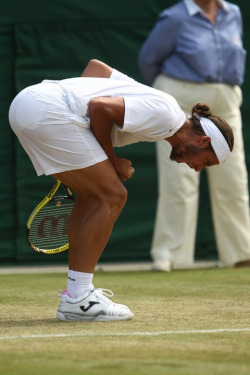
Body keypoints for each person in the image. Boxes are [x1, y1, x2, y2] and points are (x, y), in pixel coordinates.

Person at [9, 59, 234, 322]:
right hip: (47, 110)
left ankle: (77, 293)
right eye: (205, 162)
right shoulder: (167, 116)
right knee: (113, 195)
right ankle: (79, 298)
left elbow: (96, 69)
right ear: (203, 140)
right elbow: (99, 107)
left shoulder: (157, 106)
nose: (197, 169)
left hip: (28, 105)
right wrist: (112, 161)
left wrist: (81, 97)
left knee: (93, 197)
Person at [138, 0, 250, 272]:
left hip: (226, 102)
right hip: (182, 98)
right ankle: (171, 255)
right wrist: (171, 98)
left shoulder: (232, 13)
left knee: (233, 179)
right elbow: (148, 60)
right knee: (179, 179)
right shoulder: (174, 17)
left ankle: (241, 253)